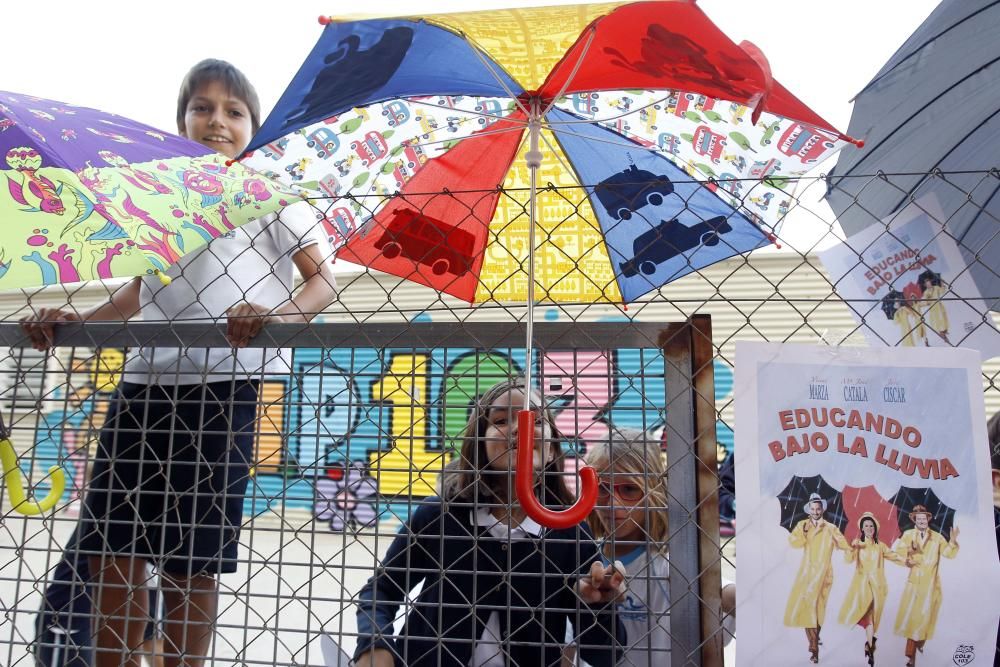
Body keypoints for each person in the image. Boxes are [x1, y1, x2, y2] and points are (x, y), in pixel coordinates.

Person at [21, 58, 338, 667]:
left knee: (192, 557)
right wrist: (71, 324)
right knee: (111, 548)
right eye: (202, 108)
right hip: (143, 386)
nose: (217, 120)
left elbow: (320, 280)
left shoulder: (266, 191)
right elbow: (140, 294)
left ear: (253, 126)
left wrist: (277, 316)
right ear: (180, 121)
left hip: (225, 388)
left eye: (234, 111)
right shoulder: (164, 200)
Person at [353, 379, 628, 667]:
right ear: (479, 444)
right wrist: (375, 644)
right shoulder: (438, 516)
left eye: (534, 420)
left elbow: (603, 654)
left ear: (551, 450)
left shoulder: (570, 531)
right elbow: (381, 590)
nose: (519, 427)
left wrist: (598, 603)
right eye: (499, 420)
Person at [580, 428, 735, 665]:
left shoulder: (671, 563)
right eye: (603, 488)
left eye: (629, 489)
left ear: (653, 490)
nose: (613, 503)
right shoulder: (585, 559)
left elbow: (723, 597)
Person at [783, 492, 851, 664]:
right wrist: (803, 533)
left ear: (822, 510)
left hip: (825, 574)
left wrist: (852, 550)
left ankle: (814, 638)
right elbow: (794, 543)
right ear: (809, 510)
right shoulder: (802, 525)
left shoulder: (830, 528)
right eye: (812, 509)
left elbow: (843, 544)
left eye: (818, 508)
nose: (815, 511)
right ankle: (814, 646)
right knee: (808, 608)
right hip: (807, 574)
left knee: (819, 609)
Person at [893, 505, 959, 667]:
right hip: (914, 584)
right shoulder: (908, 535)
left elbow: (948, 554)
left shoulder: (937, 537)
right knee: (912, 620)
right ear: (914, 519)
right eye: (919, 518)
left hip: (930, 586)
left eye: (924, 518)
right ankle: (910, 656)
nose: (922, 521)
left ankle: (919, 647)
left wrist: (952, 541)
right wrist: (908, 556)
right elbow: (898, 554)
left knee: (924, 620)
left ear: (928, 519)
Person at [837, 513, 903, 666]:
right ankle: (871, 647)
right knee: (867, 618)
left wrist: (909, 561)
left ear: (875, 528)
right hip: (862, 589)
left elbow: (895, 557)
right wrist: (852, 548)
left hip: (878, 588)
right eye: (866, 526)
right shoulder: (858, 544)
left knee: (871, 620)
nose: (869, 528)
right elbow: (847, 560)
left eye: (871, 526)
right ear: (862, 528)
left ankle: (870, 646)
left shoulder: (880, 546)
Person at [917, 269, 949, 344]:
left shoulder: (936, 288)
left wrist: (942, 283)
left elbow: (942, 291)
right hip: (933, 309)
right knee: (936, 322)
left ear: (930, 281)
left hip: (939, 306)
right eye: (925, 282)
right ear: (924, 285)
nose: (927, 283)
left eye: (928, 281)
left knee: (943, 320)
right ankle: (942, 335)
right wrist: (922, 303)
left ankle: (944, 333)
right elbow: (926, 301)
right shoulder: (926, 292)